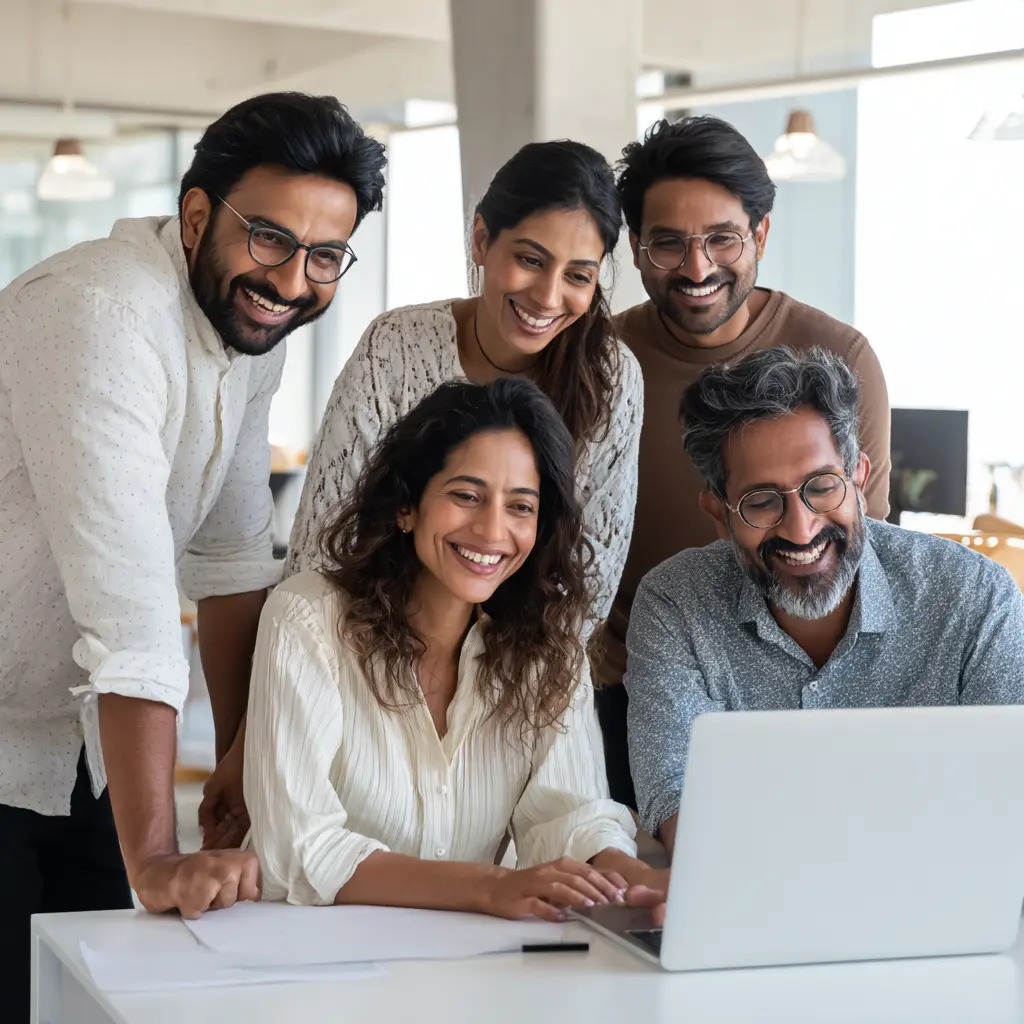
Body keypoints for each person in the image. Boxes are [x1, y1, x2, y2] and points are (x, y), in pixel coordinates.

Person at [0, 90, 386, 1017]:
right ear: (197, 212)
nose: (292, 281)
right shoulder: (99, 311)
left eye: (324, 254)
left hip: (72, 748)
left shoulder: (249, 338)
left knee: (86, 1000)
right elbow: (131, 610)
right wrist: (159, 858)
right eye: (270, 238)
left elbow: (231, 559)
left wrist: (239, 769)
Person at [196, 140, 644, 843]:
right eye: (529, 258)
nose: (549, 297)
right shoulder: (396, 347)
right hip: (362, 670)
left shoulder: (612, 377)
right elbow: (321, 553)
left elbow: (582, 588)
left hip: (509, 687)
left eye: (579, 275)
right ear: (480, 239)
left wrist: (493, 706)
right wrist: (256, 738)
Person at [245, 378, 661, 914]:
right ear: (406, 506)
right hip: (303, 967)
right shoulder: (306, 619)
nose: (492, 531)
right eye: (466, 496)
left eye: (521, 507)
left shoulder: (548, 651)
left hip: (466, 969)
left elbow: (569, 819)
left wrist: (636, 878)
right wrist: (488, 888)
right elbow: (297, 849)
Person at [594, 115, 892, 809]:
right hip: (634, 685)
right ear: (636, 249)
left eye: (721, 239)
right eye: (668, 245)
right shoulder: (598, 363)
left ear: (758, 234)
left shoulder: (838, 357)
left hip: (801, 688)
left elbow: (860, 540)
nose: (697, 269)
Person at [625, 346, 1024, 857]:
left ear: (858, 476)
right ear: (717, 513)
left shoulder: (976, 599)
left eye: (822, 487)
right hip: (753, 915)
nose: (800, 528)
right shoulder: (674, 604)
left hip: (949, 915)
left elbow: (1007, 801)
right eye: (762, 501)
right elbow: (676, 797)